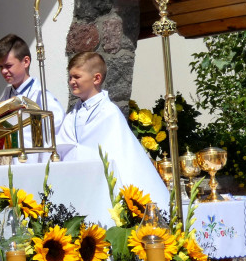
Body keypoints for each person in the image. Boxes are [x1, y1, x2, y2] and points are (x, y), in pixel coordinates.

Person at [59, 51, 169, 210]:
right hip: (77, 184)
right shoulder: (71, 116)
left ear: (96, 78)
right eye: (70, 77)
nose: (72, 81)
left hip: (102, 186)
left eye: (77, 77)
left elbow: (118, 155)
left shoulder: (108, 113)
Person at [0, 33, 65, 160]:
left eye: (8, 66)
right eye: (1, 67)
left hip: (33, 166)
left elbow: (54, 139)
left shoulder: (41, 98)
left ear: (26, 61)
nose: (4, 71)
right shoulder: (6, 95)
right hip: (8, 166)